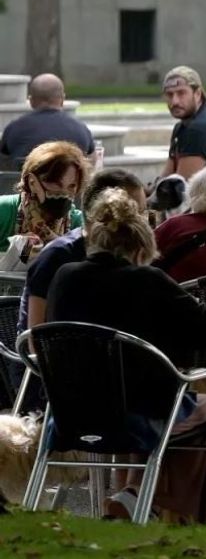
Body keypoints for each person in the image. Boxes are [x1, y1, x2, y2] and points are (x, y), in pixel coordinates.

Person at [46, 188, 206, 523]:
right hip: (136, 413)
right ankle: (192, 517)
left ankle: (136, 495)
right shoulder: (147, 280)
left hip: (70, 411)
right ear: (140, 245)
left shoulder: (65, 277)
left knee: (151, 392)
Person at [7, 167, 146, 408]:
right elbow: (37, 341)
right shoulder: (57, 257)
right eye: (135, 213)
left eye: (144, 213)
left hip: (108, 374)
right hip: (50, 385)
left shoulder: (128, 253)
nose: (143, 222)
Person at [0, 141, 87, 253]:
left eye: (72, 186)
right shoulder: (3, 212)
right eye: (56, 184)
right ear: (32, 182)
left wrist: (60, 246)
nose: (64, 193)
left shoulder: (79, 224)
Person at [0, 74, 94, 169]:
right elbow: (91, 163)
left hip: (27, 182)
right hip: (70, 183)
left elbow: (4, 162)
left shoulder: (14, 128)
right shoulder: (81, 129)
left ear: (31, 101)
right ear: (62, 99)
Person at [159, 66, 206, 179]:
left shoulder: (198, 130)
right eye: (169, 95)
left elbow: (180, 188)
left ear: (198, 94)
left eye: (181, 93)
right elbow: (165, 179)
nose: (174, 101)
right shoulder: (181, 127)